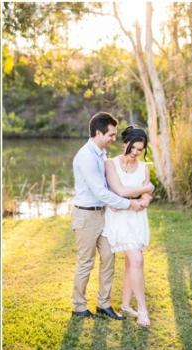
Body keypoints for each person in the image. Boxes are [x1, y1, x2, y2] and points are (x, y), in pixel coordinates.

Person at [70, 112, 152, 320]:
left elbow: (108, 186)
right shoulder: (86, 157)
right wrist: (129, 204)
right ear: (99, 132)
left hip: (103, 215)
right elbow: (101, 191)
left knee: (108, 258)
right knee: (86, 262)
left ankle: (103, 303)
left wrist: (134, 196)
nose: (114, 139)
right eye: (111, 135)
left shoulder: (101, 154)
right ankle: (79, 306)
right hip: (86, 216)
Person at [102, 126, 153, 327]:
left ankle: (125, 304)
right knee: (137, 260)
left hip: (137, 219)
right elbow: (120, 191)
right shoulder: (110, 164)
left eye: (140, 150)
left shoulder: (144, 168)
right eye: (132, 148)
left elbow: (145, 198)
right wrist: (145, 189)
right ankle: (142, 309)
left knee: (131, 264)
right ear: (125, 143)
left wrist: (145, 197)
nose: (135, 153)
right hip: (119, 220)